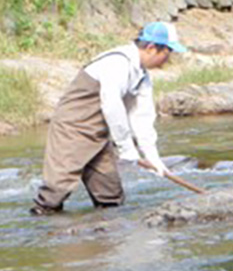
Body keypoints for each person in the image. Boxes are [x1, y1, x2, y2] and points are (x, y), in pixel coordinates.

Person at [31, 21, 187, 215]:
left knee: (110, 196)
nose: (168, 59)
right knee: (54, 194)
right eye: (168, 53)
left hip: (100, 133)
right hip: (72, 128)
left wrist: (154, 159)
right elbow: (112, 106)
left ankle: (107, 238)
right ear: (152, 48)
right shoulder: (117, 63)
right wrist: (126, 148)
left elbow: (142, 119)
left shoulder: (142, 76)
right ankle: (44, 232)